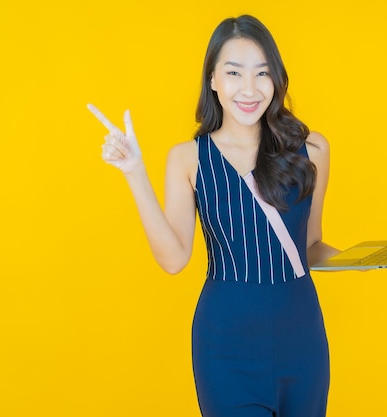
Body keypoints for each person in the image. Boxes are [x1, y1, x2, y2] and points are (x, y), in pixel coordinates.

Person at [88, 14, 340, 417]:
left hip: (302, 339)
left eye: (262, 73)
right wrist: (135, 173)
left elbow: (308, 245)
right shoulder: (188, 159)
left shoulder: (313, 151)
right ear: (213, 80)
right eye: (234, 72)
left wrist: (364, 259)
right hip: (226, 346)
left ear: (275, 79)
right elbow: (174, 260)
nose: (249, 88)